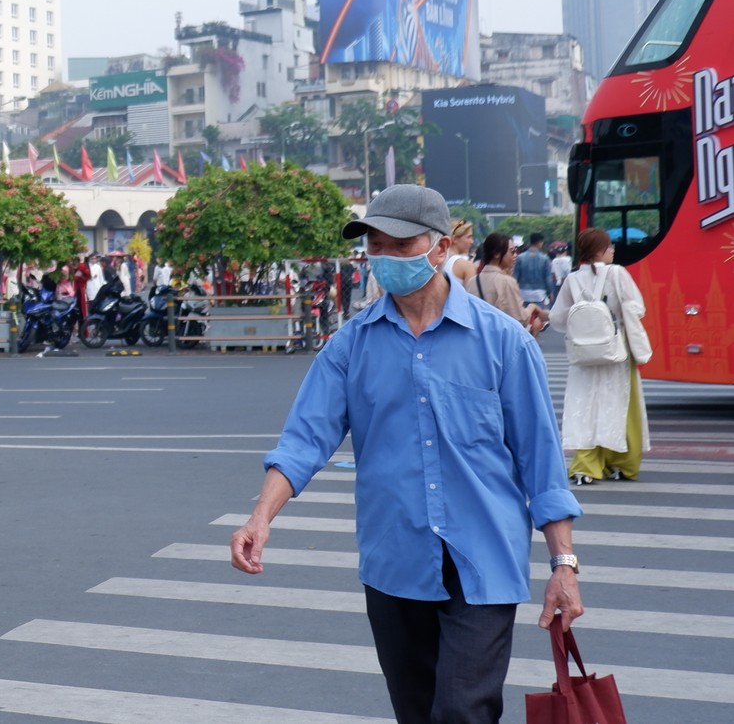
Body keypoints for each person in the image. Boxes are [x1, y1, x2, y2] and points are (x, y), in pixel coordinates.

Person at [230, 185, 584, 724]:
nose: (385, 257)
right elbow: (304, 440)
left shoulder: (504, 342)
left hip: (483, 560)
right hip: (395, 561)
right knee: (417, 712)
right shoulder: (352, 345)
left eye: (399, 243)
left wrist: (563, 565)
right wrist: (260, 516)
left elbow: (542, 462)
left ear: (441, 248)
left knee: (464, 711)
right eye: (375, 244)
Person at [551, 228, 653, 486]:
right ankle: (621, 464)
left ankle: (586, 465)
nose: (613, 251)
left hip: (584, 355)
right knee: (621, 407)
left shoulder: (572, 279)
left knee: (586, 408)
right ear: (599, 250)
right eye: (609, 247)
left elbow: (558, 318)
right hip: (616, 351)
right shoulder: (618, 273)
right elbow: (637, 307)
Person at [513, 233, 552, 307]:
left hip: (524, 294)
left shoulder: (520, 257)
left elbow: (515, 278)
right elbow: (548, 279)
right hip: (540, 295)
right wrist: (550, 291)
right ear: (540, 243)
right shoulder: (544, 258)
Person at [444, 219, 478, 284]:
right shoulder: (467, 266)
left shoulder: (436, 261)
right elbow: (471, 293)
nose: (472, 242)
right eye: (468, 237)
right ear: (454, 239)